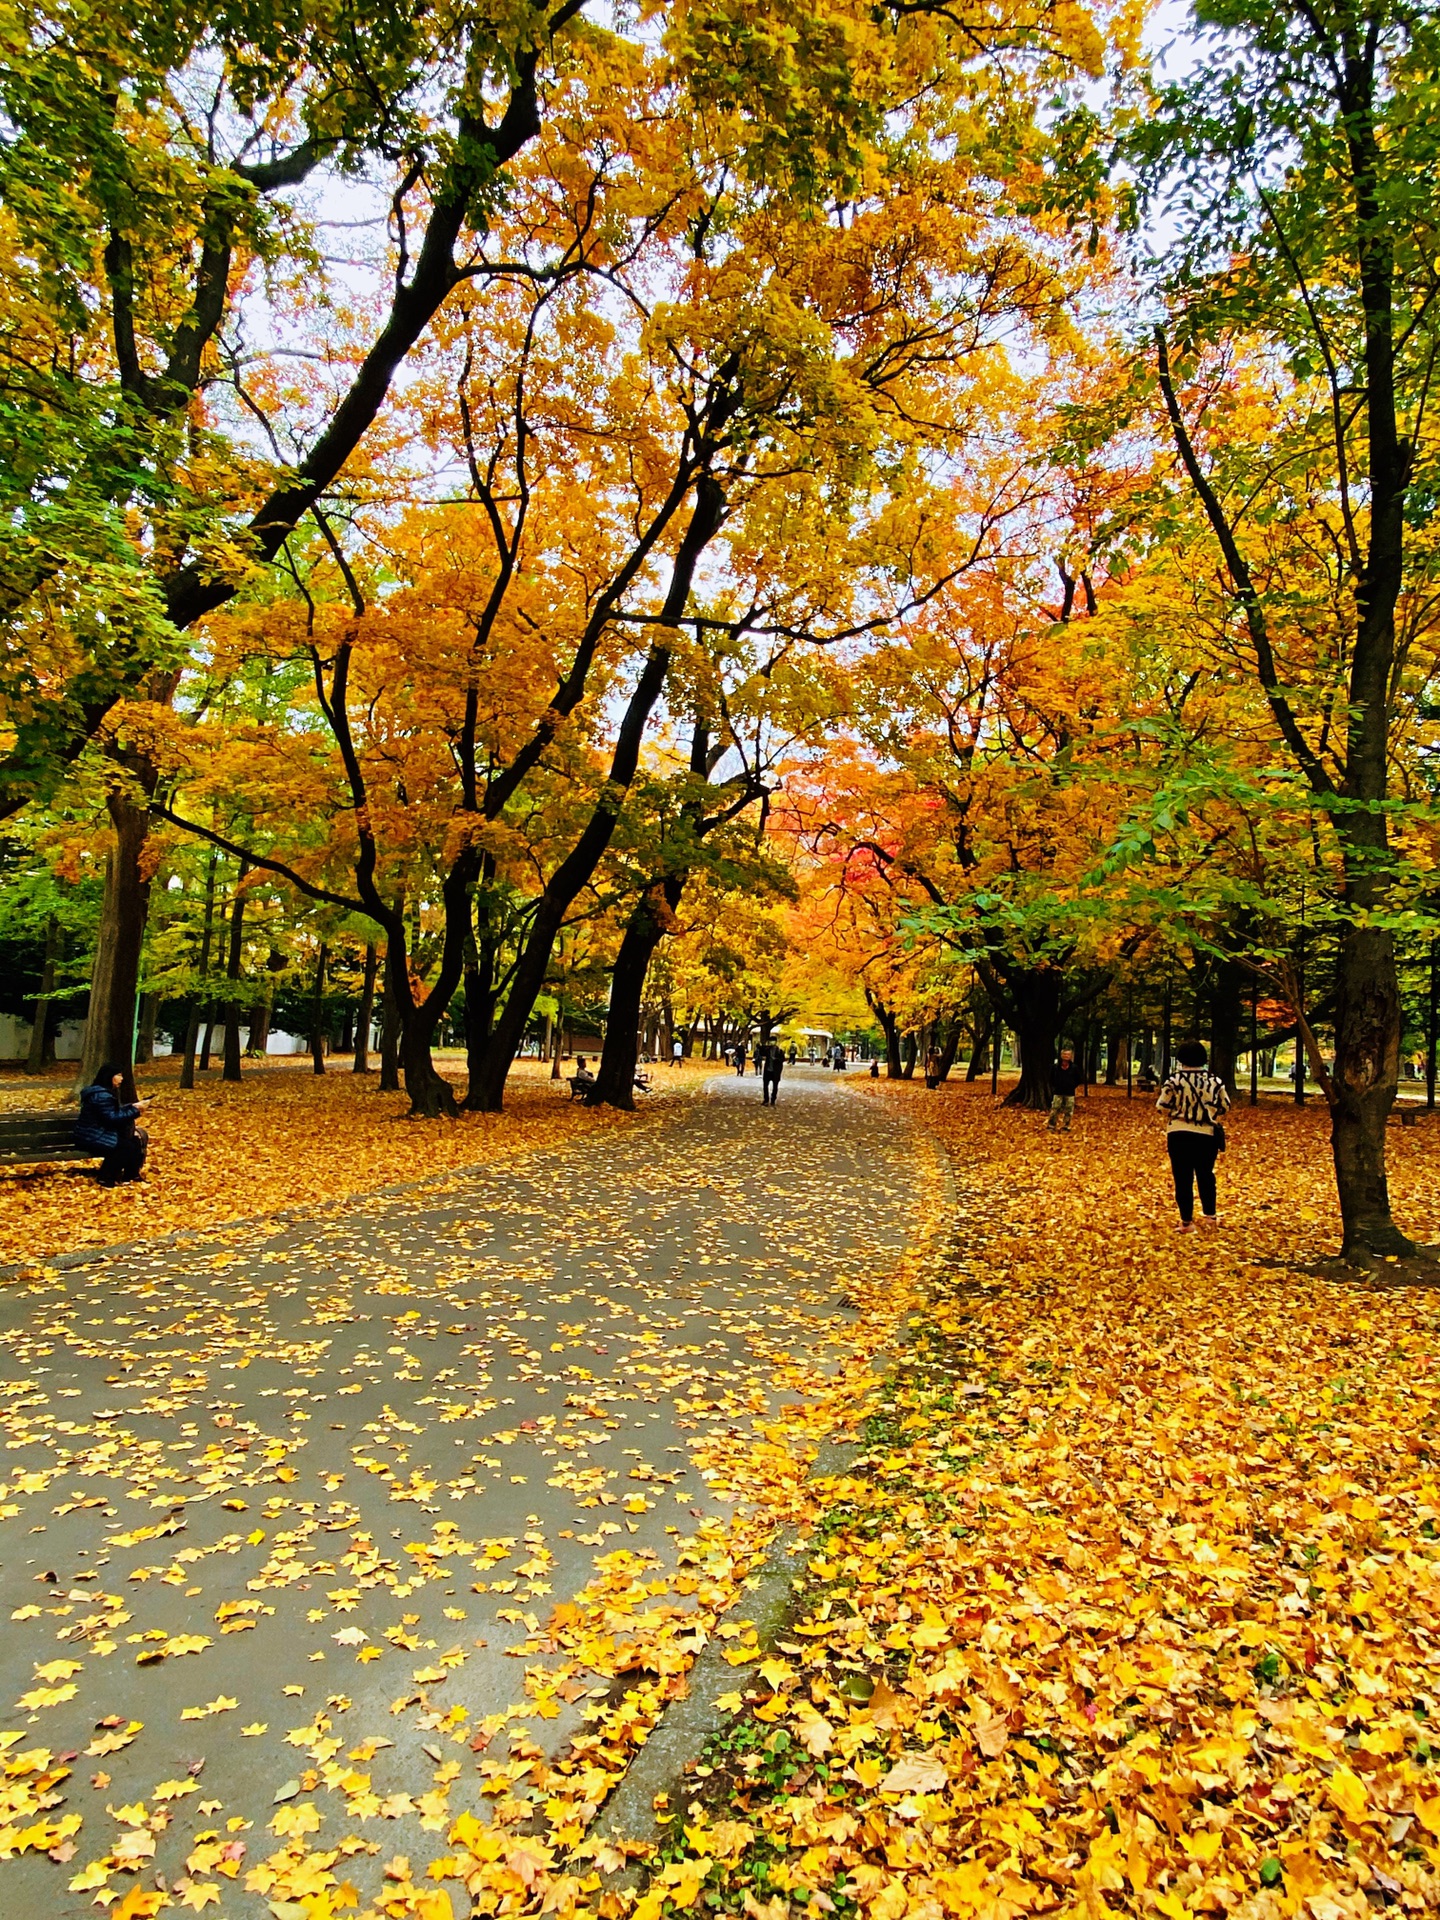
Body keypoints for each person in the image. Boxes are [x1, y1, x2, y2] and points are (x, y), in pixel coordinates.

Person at [1156, 1039, 1232, 1231]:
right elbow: (1226, 1105)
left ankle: (1186, 1222)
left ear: (1181, 1058)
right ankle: (1210, 1217)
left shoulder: (1173, 1081)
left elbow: (1161, 1106)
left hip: (1179, 1133)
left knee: (1182, 1178)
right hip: (1206, 1134)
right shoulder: (1215, 1081)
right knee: (1206, 1175)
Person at [75, 1064, 150, 1186]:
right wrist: (136, 1111)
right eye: (119, 1075)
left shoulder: (103, 1093)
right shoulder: (101, 1096)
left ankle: (131, 1176)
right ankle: (105, 1177)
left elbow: (112, 1112)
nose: (122, 1079)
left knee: (135, 1141)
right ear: (109, 1077)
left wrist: (132, 1107)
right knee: (124, 1146)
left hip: (98, 1133)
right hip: (91, 1136)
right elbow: (112, 1119)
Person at [1047, 1046, 1082, 1130]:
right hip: (1058, 1092)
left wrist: (1072, 1085)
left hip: (1069, 1093)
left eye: (1068, 1055)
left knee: (1069, 1111)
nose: (1066, 1056)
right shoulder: (1055, 1067)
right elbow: (1050, 1078)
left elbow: (1078, 1079)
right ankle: (1051, 1125)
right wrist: (1055, 1086)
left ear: (1071, 1056)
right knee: (1055, 1109)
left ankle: (1066, 1126)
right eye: (1064, 1054)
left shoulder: (1074, 1068)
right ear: (1061, 1055)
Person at [761, 1040, 785, 1106]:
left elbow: (782, 1059)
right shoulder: (767, 1050)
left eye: (773, 1041)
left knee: (775, 1086)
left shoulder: (779, 1051)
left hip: (775, 1072)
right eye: (770, 1041)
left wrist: (776, 1059)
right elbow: (761, 1052)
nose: (771, 1043)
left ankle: (773, 1100)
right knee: (765, 1086)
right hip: (767, 1071)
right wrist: (763, 1045)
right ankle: (766, 1100)